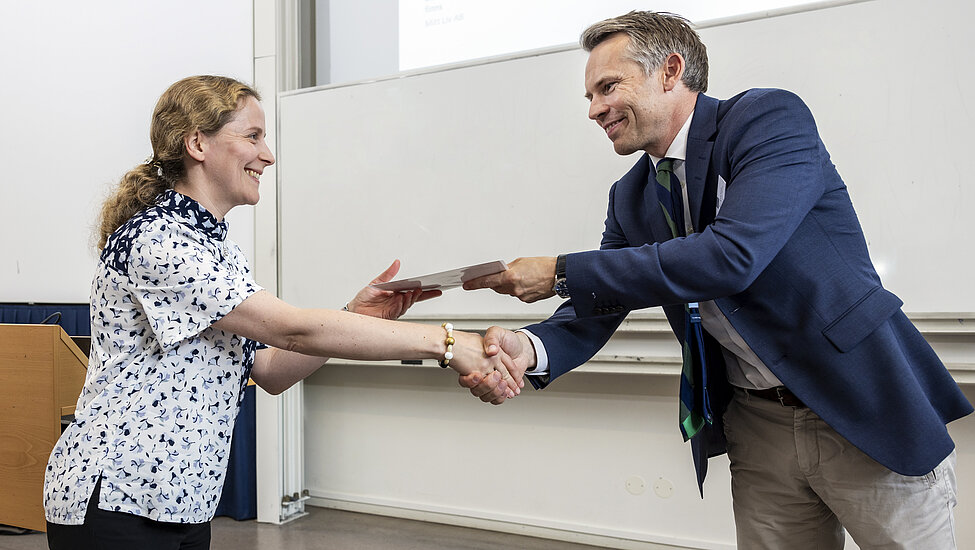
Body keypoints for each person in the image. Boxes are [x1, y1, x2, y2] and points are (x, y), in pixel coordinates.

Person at [460, 11, 972, 549]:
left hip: (860, 403)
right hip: (756, 423)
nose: (595, 110)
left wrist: (561, 270)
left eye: (608, 87)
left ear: (670, 70)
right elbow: (600, 302)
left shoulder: (767, 119)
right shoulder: (630, 197)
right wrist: (528, 346)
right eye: (589, 96)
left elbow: (731, 255)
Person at [43, 75, 517, 550]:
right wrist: (450, 342)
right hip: (117, 498)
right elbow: (293, 330)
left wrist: (362, 314)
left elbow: (269, 368)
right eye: (252, 136)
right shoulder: (159, 240)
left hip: (179, 501)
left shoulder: (215, 248)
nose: (267, 155)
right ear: (196, 144)